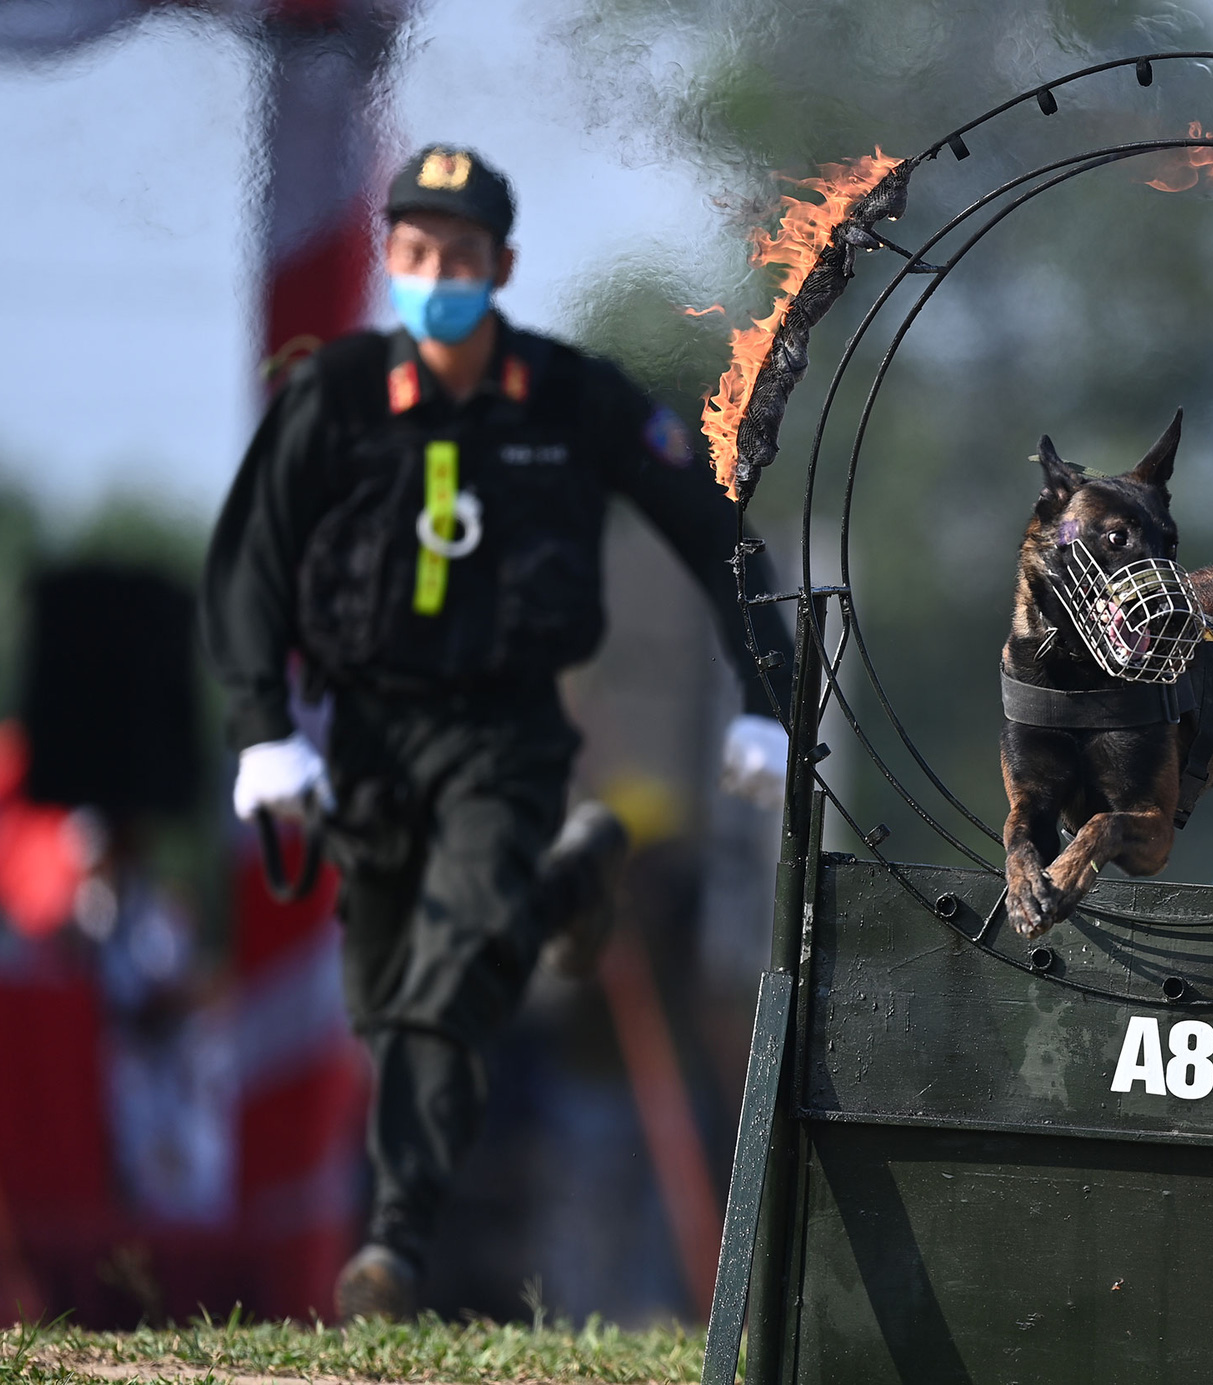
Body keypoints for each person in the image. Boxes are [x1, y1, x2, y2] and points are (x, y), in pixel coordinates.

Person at [202, 145, 795, 1320]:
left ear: (502, 265)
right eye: (416, 254)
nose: (438, 275)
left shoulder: (570, 397)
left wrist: (760, 695)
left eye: (461, 255)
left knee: (451, 965)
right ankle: (574, 879)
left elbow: (711, 531)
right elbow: (248, 566)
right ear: (392, 261)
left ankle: (392, 1246)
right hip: (368, 736)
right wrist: (265, 731)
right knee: (387, 1001)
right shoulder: (337, 395)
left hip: (508, 732)